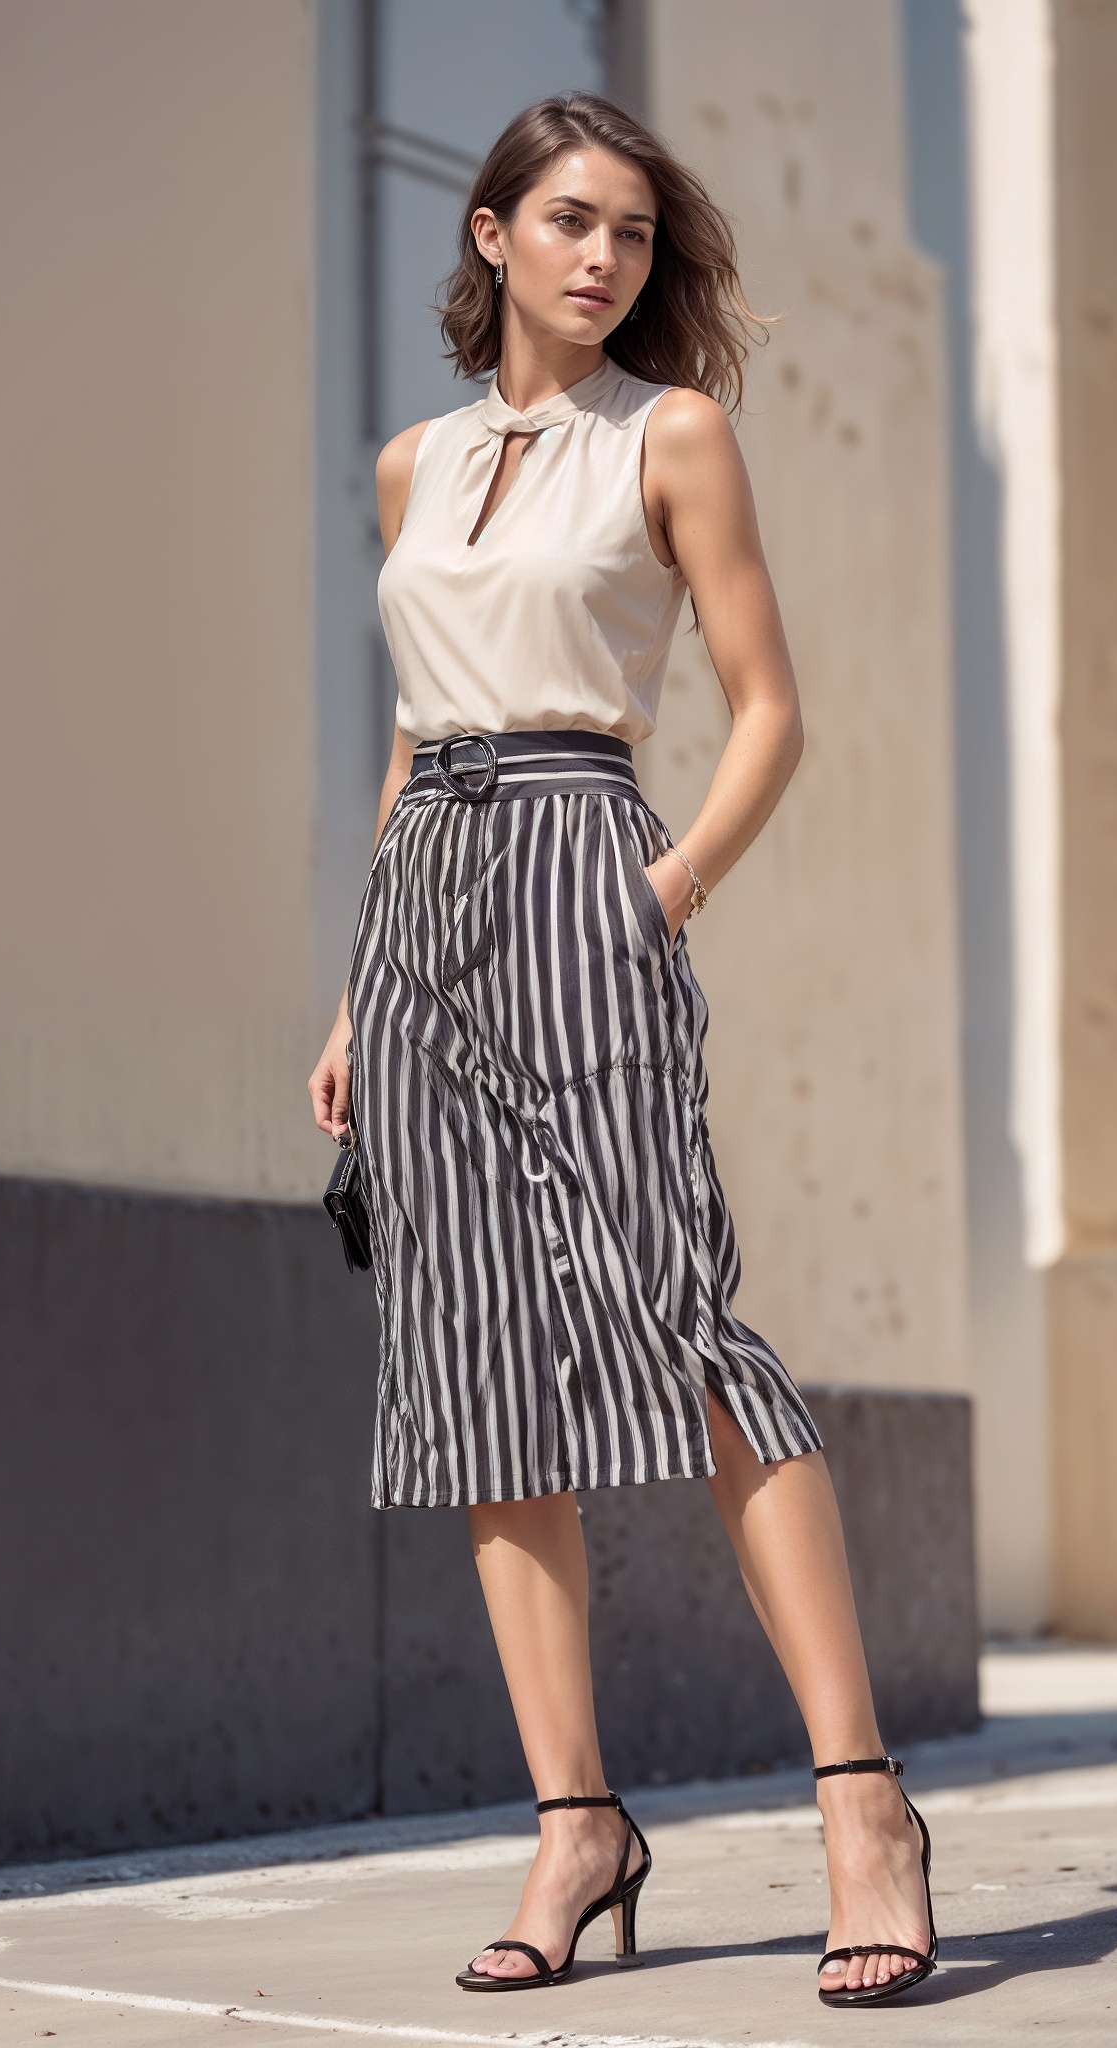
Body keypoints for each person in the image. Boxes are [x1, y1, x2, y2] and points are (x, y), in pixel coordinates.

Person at [306, 92, 937, 2010]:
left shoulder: (672, 437)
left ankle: (864, 1804)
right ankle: (576, 1819)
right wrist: (357, 990)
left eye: (636, 236)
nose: (606, 260)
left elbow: (768, 710)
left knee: (684, 1317)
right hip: (426, 912)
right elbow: (419, 732)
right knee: (484, 1362)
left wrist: (658, 895)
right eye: (570, 222)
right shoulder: (412, 467)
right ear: (490, 235)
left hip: (592, 855)